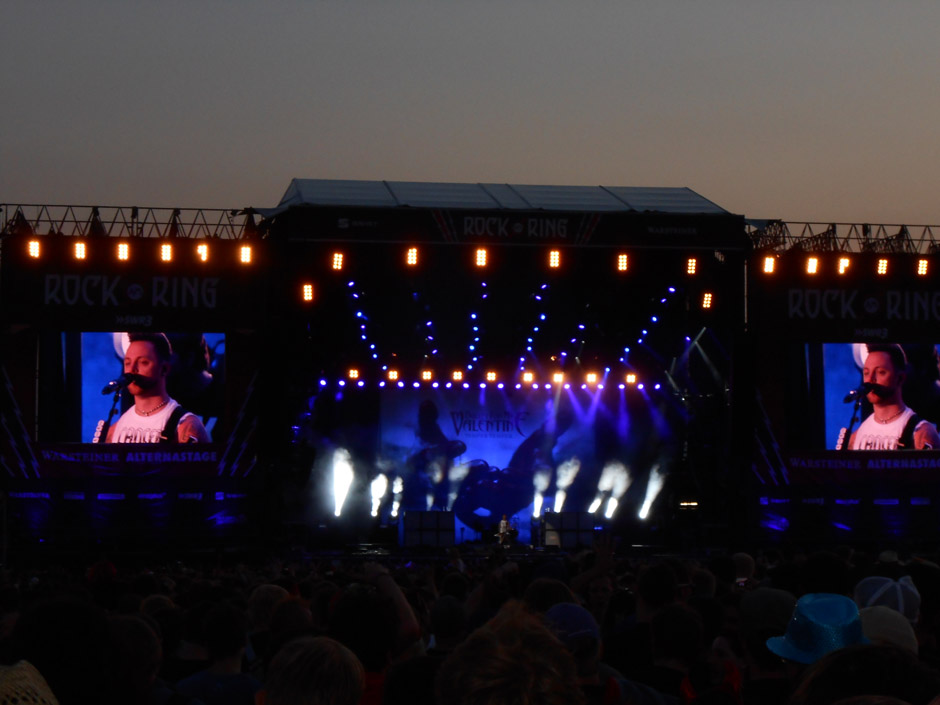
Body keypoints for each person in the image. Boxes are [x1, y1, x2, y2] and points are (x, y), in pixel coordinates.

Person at [105, 332, 211, 444]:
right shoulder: (114, 429)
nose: (132, 371)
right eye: (128, 363)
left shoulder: (186, 424)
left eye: (143, 362)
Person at [848, 343, 940, 450]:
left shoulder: (922, 432)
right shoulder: (856, 437)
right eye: (866, 373)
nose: (870, 380)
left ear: (901, 377)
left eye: (881, 372)